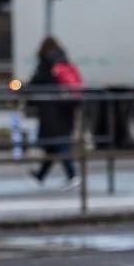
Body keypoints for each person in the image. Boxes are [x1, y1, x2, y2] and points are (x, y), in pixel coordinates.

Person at [28, 37, 83, 187]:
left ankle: (72, 174)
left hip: (52, 109)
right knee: (54, 144)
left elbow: (36, 82)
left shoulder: (46, 61)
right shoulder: (62, 58)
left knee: (59, 142)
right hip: (66, 106)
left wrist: (23, 90)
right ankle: (41, 175)